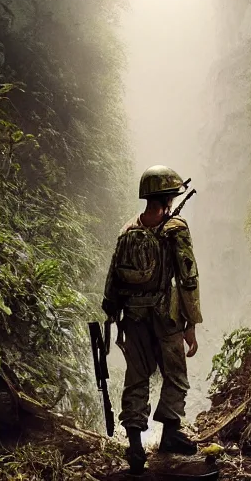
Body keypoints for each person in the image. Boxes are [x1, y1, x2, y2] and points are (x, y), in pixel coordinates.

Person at [102, 165, 203, 474]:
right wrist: (191, 324)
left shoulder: (127, 230)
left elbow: (112, 281)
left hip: (132, 318)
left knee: (136, 378)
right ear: (167, 198)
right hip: (166, 318)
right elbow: (188, 278)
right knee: (175, 375)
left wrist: (114, 314)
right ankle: (170, 434)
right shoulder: (176, 229)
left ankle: (135, 445)